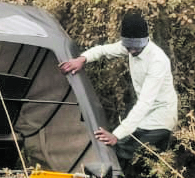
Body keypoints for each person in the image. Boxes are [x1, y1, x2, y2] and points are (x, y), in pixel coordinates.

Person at [58, 13, 178, 161]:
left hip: (160, 119)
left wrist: (116, 135)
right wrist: (82, 59)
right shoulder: (130, 47)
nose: (132, 51)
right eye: (128, 46)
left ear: (145, 40)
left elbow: (145, 103)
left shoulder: (157, 61)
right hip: (143, 118)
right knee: (139, 163)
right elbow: (102, 50)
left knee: (122, 152)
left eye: (136, 47)